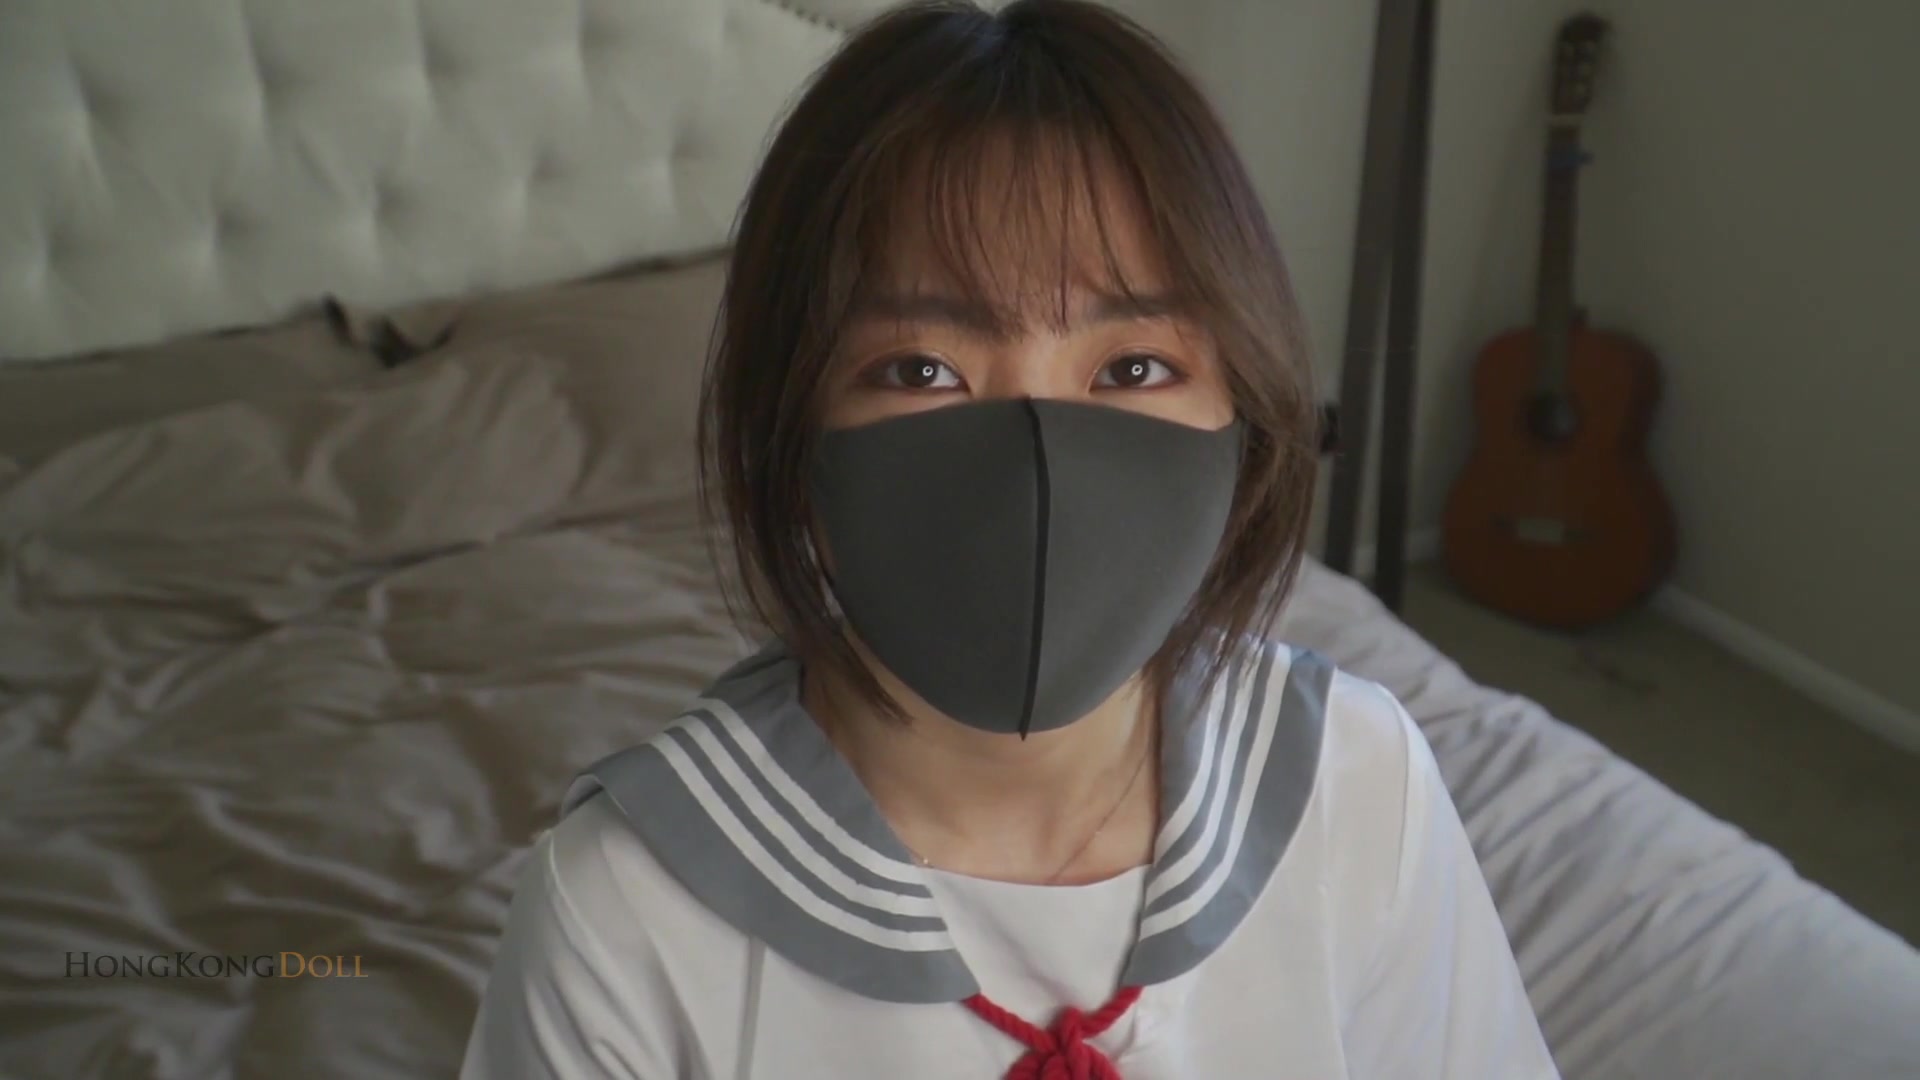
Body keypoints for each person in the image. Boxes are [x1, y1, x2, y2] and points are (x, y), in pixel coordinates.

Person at [461, 1, 1559, 1076]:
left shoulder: (1360, 780)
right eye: (921, 369)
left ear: (1247, 422)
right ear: (788, 437)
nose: (1041, 462)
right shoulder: (623, 911)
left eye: (1133, 367)